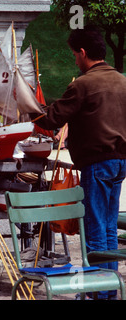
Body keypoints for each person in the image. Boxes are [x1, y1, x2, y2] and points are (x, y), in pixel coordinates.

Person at [32, 26, 126, 300]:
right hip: (120, 162)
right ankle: (109, 290)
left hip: (97, 163)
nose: (74, 60)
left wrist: (28, 107)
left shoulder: (84, 84)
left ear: (83, 53)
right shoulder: (121, 81)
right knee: (108, 228)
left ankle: (99, 293)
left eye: (75, 54)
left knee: (96, 230)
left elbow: (51, 120)